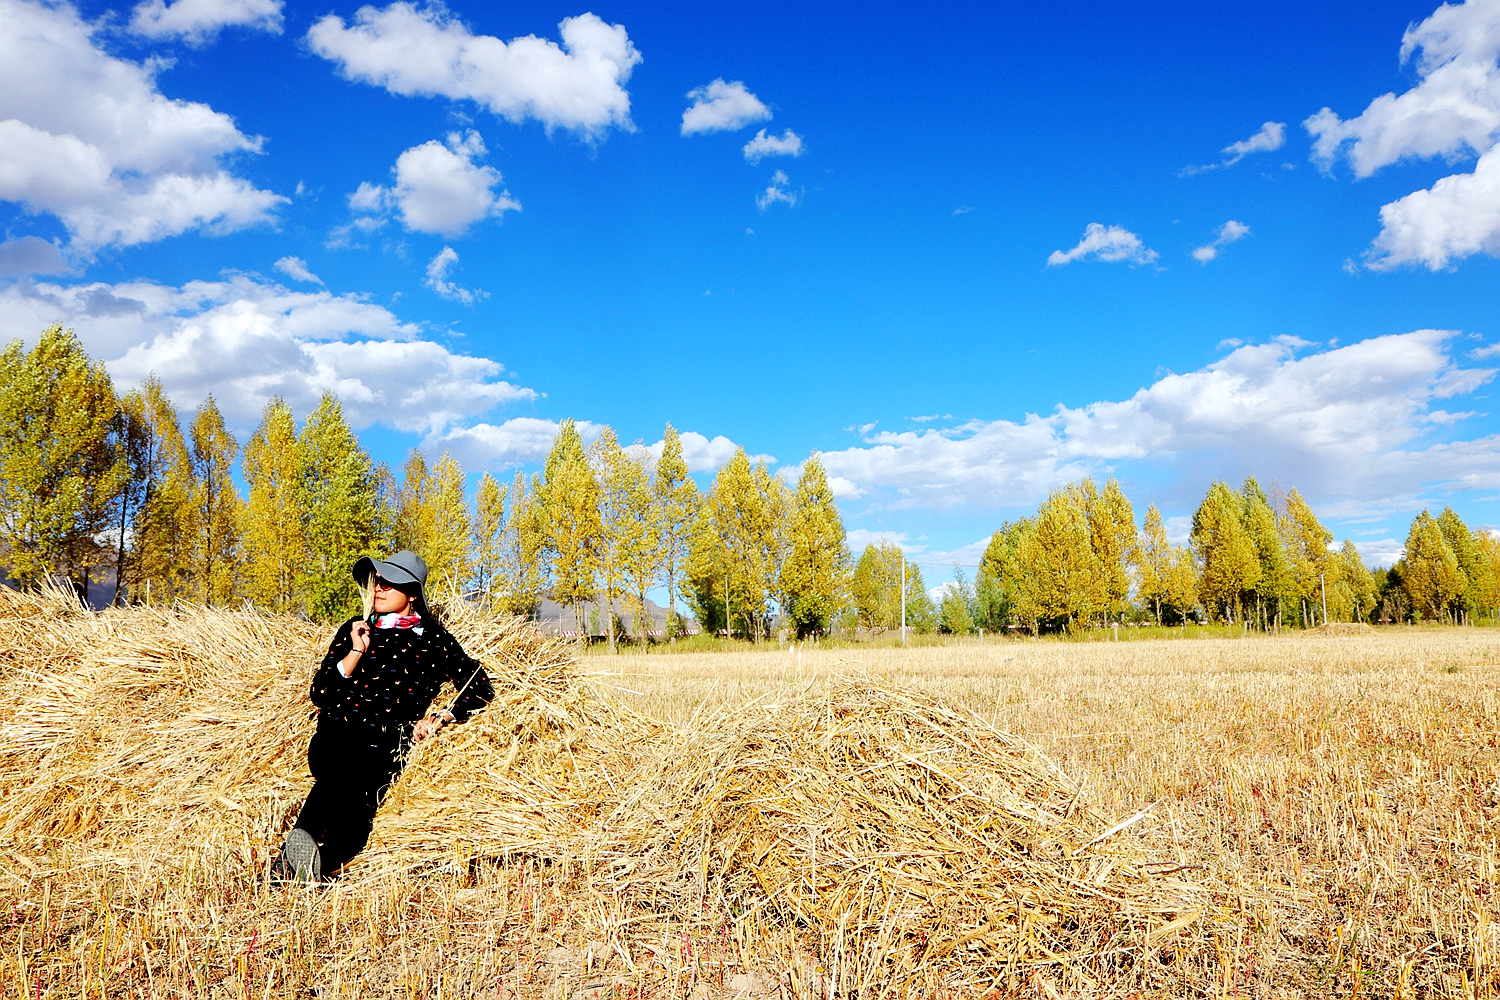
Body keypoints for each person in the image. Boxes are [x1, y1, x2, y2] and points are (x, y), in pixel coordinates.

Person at [270, 550, 495, 882]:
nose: (379, 588)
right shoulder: (356, 629)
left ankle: (303, 865)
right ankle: (297, 862)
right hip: (336, 734)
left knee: (359, 812)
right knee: (342, 773)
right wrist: (356, 651)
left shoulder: (433, 639)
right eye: (378, 581)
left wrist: (442, 717)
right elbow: (320, 692)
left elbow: (478, 687)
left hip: (388, 740)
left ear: (412, 593)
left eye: (391, 583)